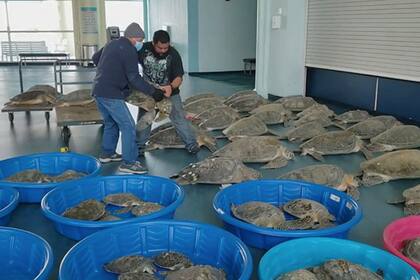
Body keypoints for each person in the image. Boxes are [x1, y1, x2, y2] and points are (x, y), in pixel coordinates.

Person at [92, 22, 169, 174]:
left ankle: (107, 154)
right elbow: (134, 78)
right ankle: (129, 162)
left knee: (111, 123)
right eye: (140, 40)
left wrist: (111, 69)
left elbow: (95, 58)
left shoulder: (112, 44)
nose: (140, 43)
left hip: (98, 90)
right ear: (134, 38)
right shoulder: (129, 49)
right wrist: (153, 91)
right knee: (127, 125)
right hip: (111, 94)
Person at [137, 30, 200, 155]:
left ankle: (191, 144)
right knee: (145, 119)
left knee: (179, 117)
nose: (163, 51)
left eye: (166, 47)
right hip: (149, 92)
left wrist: (170, 87)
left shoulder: (174, 54)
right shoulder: (142, 49)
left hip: (170, 92)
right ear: (153, 43)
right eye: (160, 48)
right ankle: (139, 147)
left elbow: (179, 77)